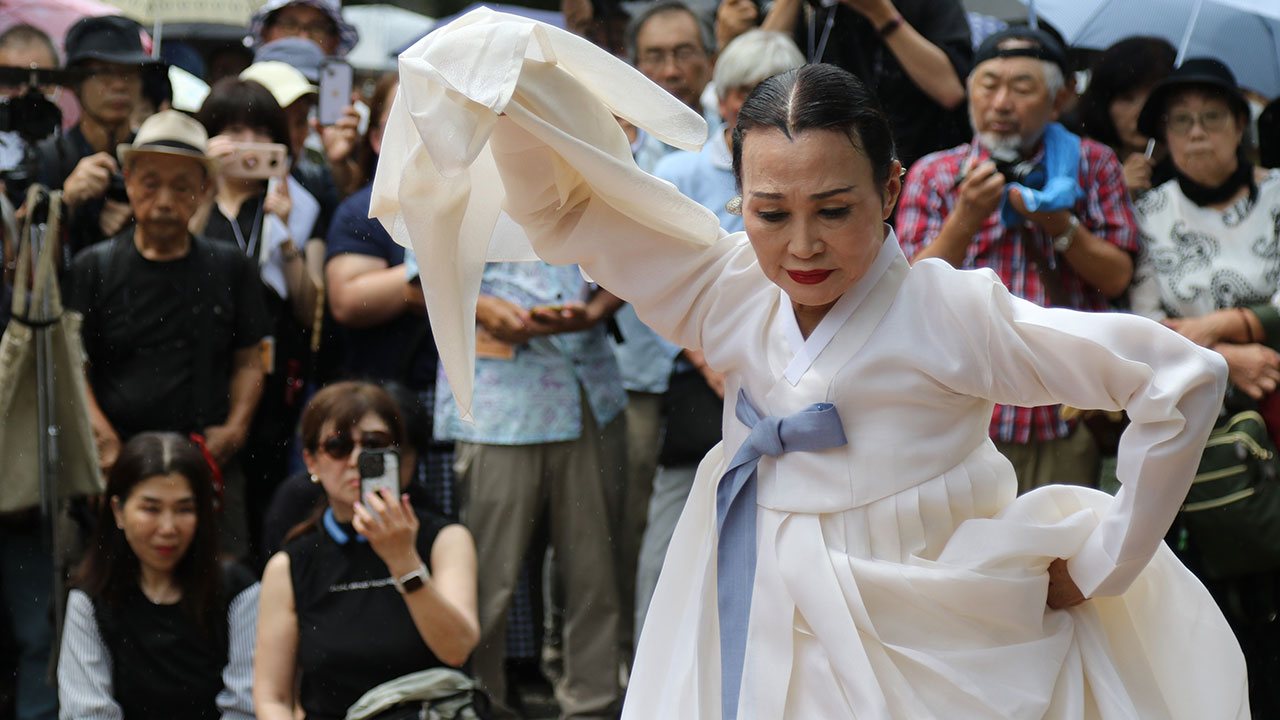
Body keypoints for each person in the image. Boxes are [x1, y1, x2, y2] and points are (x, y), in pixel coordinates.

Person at [373, 12, 1247, 718]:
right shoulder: (722, 281)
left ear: (894, 188)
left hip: (926, 609)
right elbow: (572, 209)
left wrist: (1102, 561)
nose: (801, 245)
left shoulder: (952, 313)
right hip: (749, 588)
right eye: (768, 210)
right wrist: (505, 78)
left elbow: (1180, 378)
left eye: (834, 208)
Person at [897, 26, 1139, 493]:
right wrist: (965, 218)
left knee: (1061, 557)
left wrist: (1058, 224)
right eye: (989, 85)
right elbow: (908, 294)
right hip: (960, 417)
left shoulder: (1095, 165)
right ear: (970, 93)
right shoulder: (935, 173)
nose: (1002, 103)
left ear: (1056, 101)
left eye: (1022, 88)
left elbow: (1117, 277)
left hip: (1068, 412)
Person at [633, 26, 802, 644]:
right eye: (740, 90)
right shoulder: (677, 167)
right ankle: (656, 666)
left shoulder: (812, 165)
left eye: (771, 90)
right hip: (695, 373)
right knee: (675, 523)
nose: (753, 103)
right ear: (721, 97)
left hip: (787, 375)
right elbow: (656, 273)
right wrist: (709, 357)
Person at [1128, 57, 1280, 716]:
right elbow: (1140, 322)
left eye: (1212, 118)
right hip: (1203, 416)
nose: (1196, 135)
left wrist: (1225, 322)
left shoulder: (1279, 194)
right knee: (1217, 589)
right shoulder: (1148, 211)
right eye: (1180, 121)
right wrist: (1228, 356)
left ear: (1240, 127)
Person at [67, 110, 268, 560]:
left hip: (206, 465)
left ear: (203, 191)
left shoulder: (230, 267)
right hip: (118, 467)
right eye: (150, 182)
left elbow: (249, 360)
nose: (163, 200)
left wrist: (235, 430)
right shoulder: (94, 268)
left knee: (223, 588)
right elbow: (73, 369)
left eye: (181, 186)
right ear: (129, 180)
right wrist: (105, 443)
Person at [254, 381, 479, 720]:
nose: (357, 459)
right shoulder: (292, 564)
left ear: (399, 456)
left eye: (374, 444)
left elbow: (457, 649)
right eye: (338, 446)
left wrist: (403, 560)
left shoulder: (445, 539)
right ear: (311, 461)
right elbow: (272, 696)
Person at [194, 78, 322, 558]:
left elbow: (310, 308)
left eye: (257, 130)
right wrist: (202, 176)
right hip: (201, 371)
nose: (245, 144)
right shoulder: (190, 195)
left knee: (265, 498)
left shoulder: (299, 205)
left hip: (271, 379)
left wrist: (285, 231)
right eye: (231, 130)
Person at [57, 432, 257, 719]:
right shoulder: (90, 600)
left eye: (184, 509)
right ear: (119, 511)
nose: (167, 528)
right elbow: (87, 711)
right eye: (151, 508)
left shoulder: (238, 591)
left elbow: (246, 708)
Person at [761, 0, 971, 171]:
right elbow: (755, 82)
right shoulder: (812, 9)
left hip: (913, 161)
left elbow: (951, 91)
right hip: (821, 161)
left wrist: (881, 14)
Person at [29, 16, 164, 255]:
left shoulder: (152, 156)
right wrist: (64, 203)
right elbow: (26, 260)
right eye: (104, 73)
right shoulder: (47, 158)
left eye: (130, 74)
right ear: (74, 82)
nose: (119, 86)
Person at [1076, 36, 1177, 198]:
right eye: (1127, 98)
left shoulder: (1191, 169)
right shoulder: (1081, 165)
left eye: (1153, 96)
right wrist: (1117, 193)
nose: (1141, 111)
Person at [250, 0, 359, 58]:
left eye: (317, 28)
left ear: (335, 41)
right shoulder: (244, 94)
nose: (303, 39)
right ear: (265, 33)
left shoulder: (341, 97)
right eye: (290, 25)